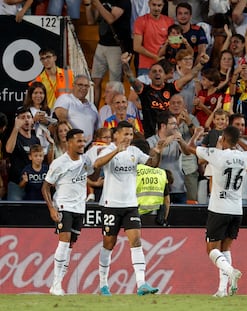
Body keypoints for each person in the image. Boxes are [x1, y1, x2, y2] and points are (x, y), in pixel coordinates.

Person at [93, 121, 163, 296]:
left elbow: (152, 164)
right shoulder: (108, 149)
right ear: (116, 134)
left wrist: (158, 152)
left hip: (130, 205)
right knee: (109, 244)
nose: (128, 138)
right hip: (111, 205)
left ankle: (141, 284)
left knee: (136, 241)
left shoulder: (134, 151)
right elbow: (96, 164)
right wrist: (117, 150)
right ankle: (103, 285)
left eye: (131, 134)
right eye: (125, 134)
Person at [188, 125, 247, 297]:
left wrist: (186, 139)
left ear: (223, 139)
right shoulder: (244, 157)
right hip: (236, 210)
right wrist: (239, 140)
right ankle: (222, 290)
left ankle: (231, 271)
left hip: (218, 208)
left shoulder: (217, 156)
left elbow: (190, 149)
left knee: (211, 249)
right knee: (225, 249)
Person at [41, 128, 94, 296]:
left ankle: (58, 284)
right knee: (64, 244)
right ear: (69, 142)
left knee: (70, 246)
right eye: (79, 141)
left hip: (80, 208)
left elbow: (91, 174)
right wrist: (51, 208)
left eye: (83, 141)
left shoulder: (85, 160)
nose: (82, 144)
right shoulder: (59, 163)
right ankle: (55, 285)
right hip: (64, 207)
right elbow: (46, 187)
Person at [122, 51, 210, 138]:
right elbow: (131, 78)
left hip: (170, 135)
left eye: (160, 71)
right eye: (154, 71)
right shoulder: (144, 90)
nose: (157, 73)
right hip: (151, 136)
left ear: (164, 75)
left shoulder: (171, 88)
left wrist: (201, 64)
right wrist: (125, 64)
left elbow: (190, 76)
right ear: (149, 76)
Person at [85, 0, 132, 106]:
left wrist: (97, 4)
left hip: (116, 46)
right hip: (101, 44)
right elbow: (91, 21)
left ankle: (113, 111)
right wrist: (87, 5)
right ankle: (94, 110)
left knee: (114, 84)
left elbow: (111, 19)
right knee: (95, 81)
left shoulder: (122, 2)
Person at [147, 111, 191, 204]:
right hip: (158, 187)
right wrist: (163, 144)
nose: (176, 126)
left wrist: (181, 141)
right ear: (163, 126)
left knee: (181, 217)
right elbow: (148, 156)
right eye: (173, 124)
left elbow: (187, 152)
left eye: (176, 123)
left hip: (178, 187)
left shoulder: (177, 140)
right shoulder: (150, 141)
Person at [5, 106, 40, 200]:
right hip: (16, 183)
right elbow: (8, 150)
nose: (26, 120)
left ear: (32, 120)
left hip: (32, 184)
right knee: (14, 212)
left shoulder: (35, 139)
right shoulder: (14, 136)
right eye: (23, 118)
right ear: (17, 120)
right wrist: (16, 128)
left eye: (28, 117)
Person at [53, 75, 99, 146]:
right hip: (70, 145)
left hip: (88, 148)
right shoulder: (65, 98)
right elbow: (62, 120)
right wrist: (77, 138)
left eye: (86, 86)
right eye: (80, 85)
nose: (83, 88)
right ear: (73, 85)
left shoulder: (92, 106)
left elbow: (97, 129)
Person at [133, 139, 170, 226]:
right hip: (157, 218)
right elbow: (167, 201)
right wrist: (163, 219)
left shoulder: (132, 171)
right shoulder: (161, 172)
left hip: (135, 217)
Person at [133, 0, 174, 75]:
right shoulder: (140, 21)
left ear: (163, 5)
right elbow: (136, 47)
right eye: (154, 5)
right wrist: (155, 57)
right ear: (149, 4)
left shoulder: (169, 21)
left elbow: (173, 42)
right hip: (146, 66)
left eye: (159, 5)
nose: (156, 8)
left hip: (165, 66)